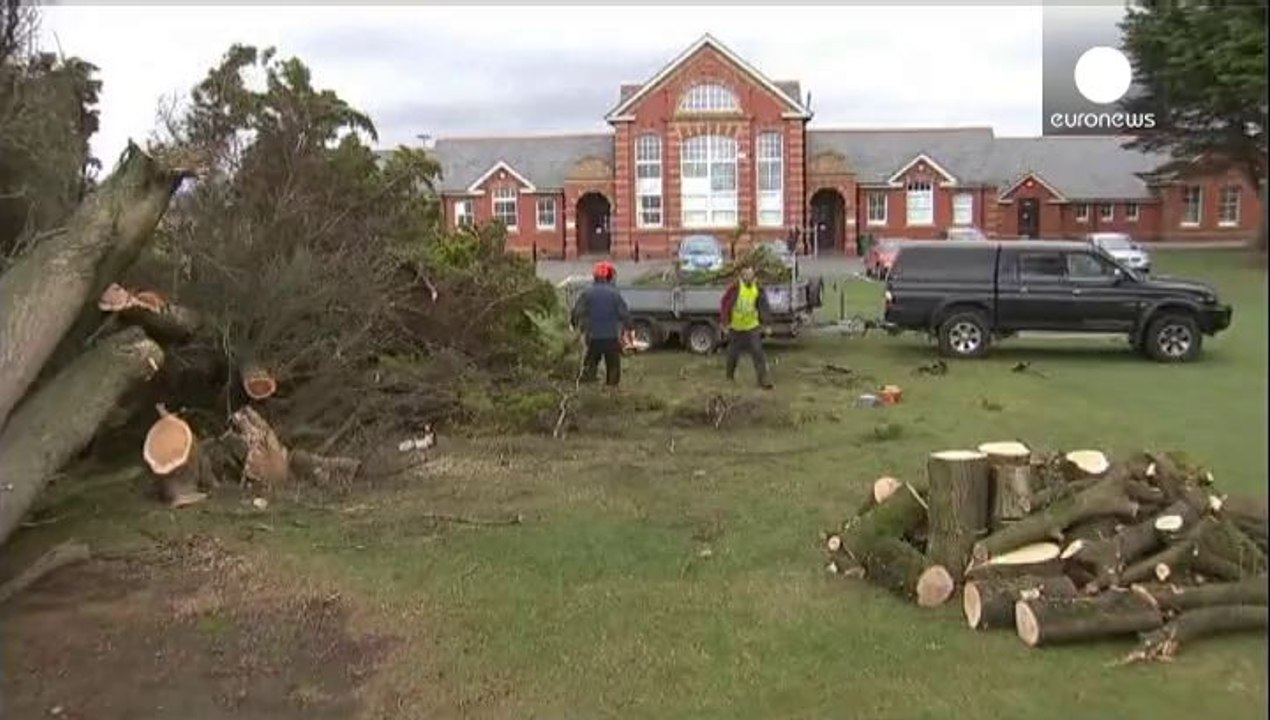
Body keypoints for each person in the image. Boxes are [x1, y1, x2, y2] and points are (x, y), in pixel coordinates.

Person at [570, 260, 631, 387]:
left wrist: (575, 326)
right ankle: (612, 391)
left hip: (593, 338)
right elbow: (624, 315)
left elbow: (576, 312)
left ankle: (588, 389)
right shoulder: (614, 294)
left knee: (590, 366)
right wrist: (629, 330)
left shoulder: (587, 293)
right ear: (609, 276)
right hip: (611, 338)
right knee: (613, 368)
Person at [719, 266, 773, 389]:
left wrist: (767, 324)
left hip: (752, 326)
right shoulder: (735, 288)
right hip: (736, 327)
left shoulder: (757, 288)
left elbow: (764, 306)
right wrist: (724, 322)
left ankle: (763, 380)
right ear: (742, 276)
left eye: (751, 274)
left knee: (757, 352)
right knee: (733, 354)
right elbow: (725, 304)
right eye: (747, 275)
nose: (750, 277)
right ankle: (729, 377)